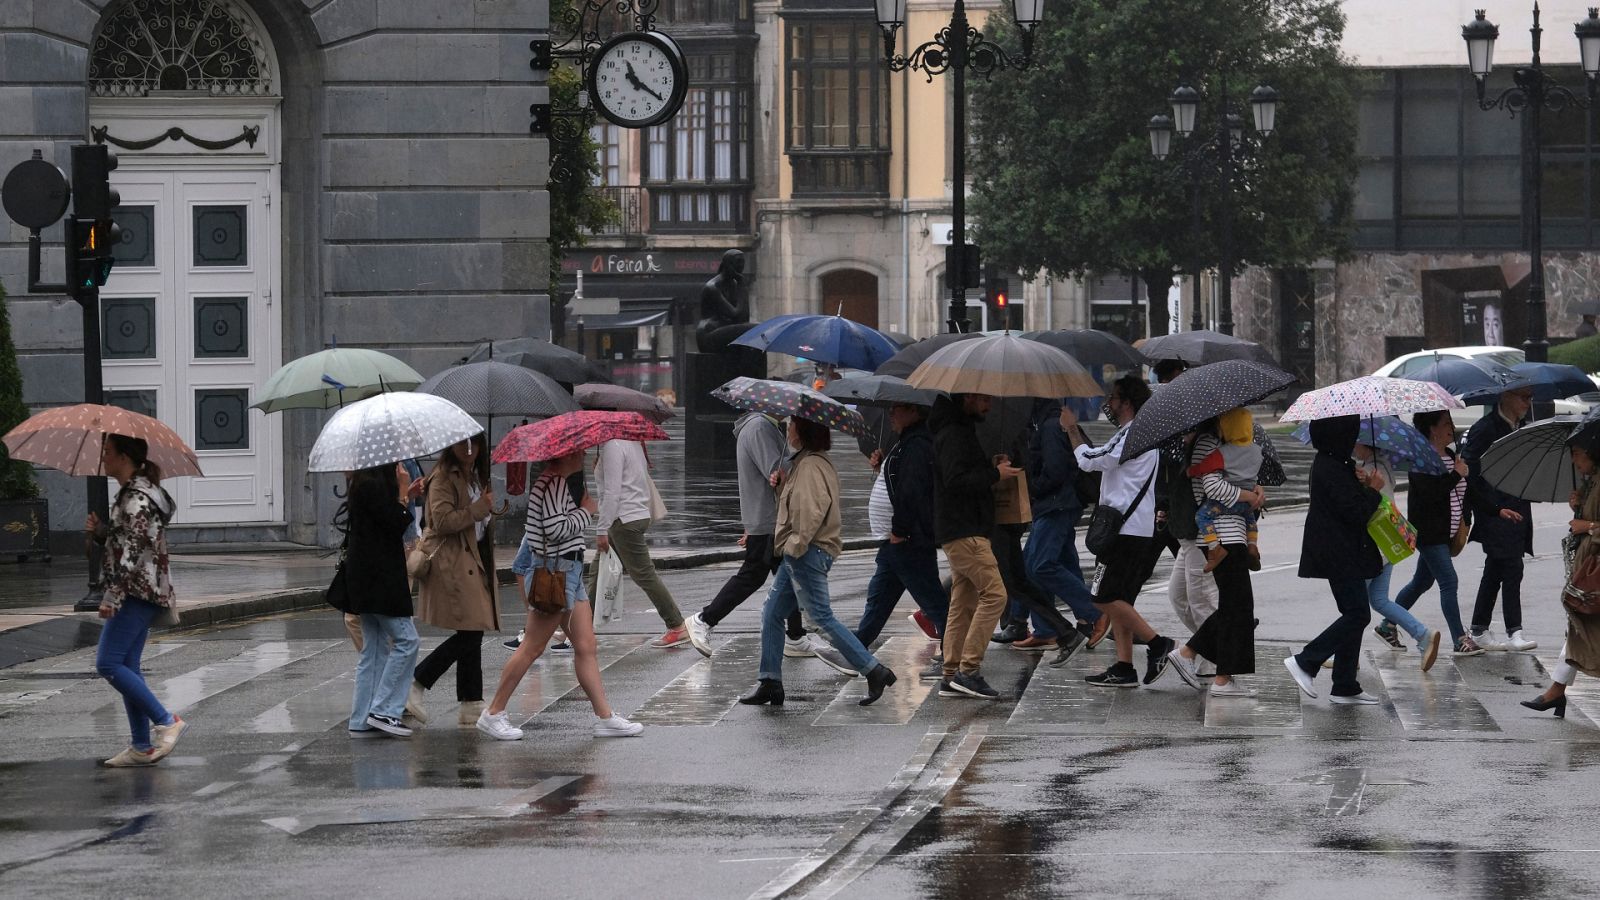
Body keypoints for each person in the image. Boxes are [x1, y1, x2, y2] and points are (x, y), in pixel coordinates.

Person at [480, 448, 644, 740]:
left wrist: (580, 511)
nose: (581, 455)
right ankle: (494, 712)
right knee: (532, 646)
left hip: (568, 573)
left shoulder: (556, 483)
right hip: (553, 575)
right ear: (564, 456)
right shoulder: (551, 483)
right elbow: (555, 530)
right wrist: (586, 512)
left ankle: (604, 716)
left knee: (585, 645)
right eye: (576, 452)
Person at [739, 417, 897, 706]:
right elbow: (793, 506)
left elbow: (809, 514)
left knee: (821, 617)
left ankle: (874, 670)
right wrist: (779, 485)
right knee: (772, 613)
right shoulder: (805, 463)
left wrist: (794, 546)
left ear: (803, 431)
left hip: (806, 552)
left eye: (791, 427)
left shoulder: (811, 466)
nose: (788, 431)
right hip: (799, 551)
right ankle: (770, 680)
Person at [1062, 375, 1178, 688]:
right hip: (1135, 528)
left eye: (1113, 398)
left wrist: (1072, 429)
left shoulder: (1132, 435)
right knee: (1122, 599)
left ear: (1126, 402)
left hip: (1123, 531)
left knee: (1102, 599)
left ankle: (1157, 643)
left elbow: (1091, 461)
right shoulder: (1141, 435)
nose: (1109, 405)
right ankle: (1124, 667)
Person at [89, 434, 187, 766]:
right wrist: (102, 531)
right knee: (126, 665)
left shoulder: (137, 497)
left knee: (108, 663)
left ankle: (166, 720)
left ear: (124, 457)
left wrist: (112, 595)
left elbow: (132, 553)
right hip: (144, 587)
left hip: (136, 590)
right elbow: (132, 539)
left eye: (107, 451)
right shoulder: (135, 494)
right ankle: (142, 747)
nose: (103, 457)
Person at [683, 412, 807, 657]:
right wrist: (800, 457)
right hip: (767, 519)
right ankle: (704, 619)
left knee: (790, 575)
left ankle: (795, 636)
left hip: (766, 518)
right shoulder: (760, 428)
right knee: (753, 575)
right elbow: (777, 473)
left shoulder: (761, 427)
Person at [1283, 416, 1386, 704]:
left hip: (1342, 549)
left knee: (1353, 613)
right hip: (1338, 551)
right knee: (1358, 614)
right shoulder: (1331, 466)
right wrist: (1373, 490)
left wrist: (1360, 480)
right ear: (1338, 436)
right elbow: (1355, 512)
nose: (1354, 440)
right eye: (1351, 434)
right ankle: (1306, 661)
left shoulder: (1336, 463)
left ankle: (1344, 684)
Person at [928, 393, 1017, 700]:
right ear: (967, 397)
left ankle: (951, 674)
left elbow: (961, 472)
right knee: (996, 596)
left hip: (962, 529)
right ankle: (969, 671)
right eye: (983, 400)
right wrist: (995, 474)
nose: (988, 406)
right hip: (965, 530)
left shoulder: (956, 430)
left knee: (962, 603)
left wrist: (989, 466)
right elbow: (956, 480)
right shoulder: (954, 433)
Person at [1167, 415, 1262, 697]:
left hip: (1231, 533)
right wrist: (1248, 496)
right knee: (1238, 607)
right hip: (1222, 535)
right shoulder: (1208, 443)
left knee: (1236, 608)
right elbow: (1211, 488)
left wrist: (1255, 491)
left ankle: (1218, 674)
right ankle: (1192, 655)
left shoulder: (1218, 443)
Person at [411, 435, 499, 727]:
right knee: (471, 631)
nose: (469, 449)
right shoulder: (442, 478)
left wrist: (488, 509)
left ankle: (471, 702)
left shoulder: (475, 476)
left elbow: (478, 522)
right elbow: (442, 520)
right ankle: (417, 682)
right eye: (464, 444)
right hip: (452, 563)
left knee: (471, 629)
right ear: (451, 445)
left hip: (473, 560)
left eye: (475, 444)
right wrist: (478, 510)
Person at [851, 402, 949, 654]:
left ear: (914, 411)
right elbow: (901, 478)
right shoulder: (906, 441)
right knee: (879, 600)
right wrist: (886, 463)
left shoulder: (917, 445)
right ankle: (854, 649)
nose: (891, 413)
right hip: (895, 540)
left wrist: (900, 530)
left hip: (906, 539)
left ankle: (957, 657)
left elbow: (912, 492)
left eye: (897, 408)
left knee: (934, 603)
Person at [1381, 410, 1481, 656]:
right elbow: (1431, 495)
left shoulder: (1449, 455)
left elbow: (1466, 491)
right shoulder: (1420, 459)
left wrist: (1498, 510)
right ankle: (1460, 639)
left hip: (1446, 533)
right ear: (1432, 428)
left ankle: (1387, 625)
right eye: (1447, 423)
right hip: (1428, 533)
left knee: (1421, 582)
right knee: (1449, 581)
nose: (1452, 427)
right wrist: (1456, 474)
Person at [342, 462, 422, 737]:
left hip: (364, 578)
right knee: (407, 641)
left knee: (374, 648)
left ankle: (362, 719)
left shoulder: (363, 481)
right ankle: (385, 711)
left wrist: (405, 495)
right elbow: (392, 526)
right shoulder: (373, 483)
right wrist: (402, 493)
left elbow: (380, 521)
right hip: (380, 578)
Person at [1521, 436, 1600, 717]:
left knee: (1582, 629)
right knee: (1579, 628)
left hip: (1595, 574)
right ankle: (1556, 692)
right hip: (1588, 572)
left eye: (1577, 453)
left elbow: (1591, 525)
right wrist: (1578, 506)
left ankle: (1555, 692)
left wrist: (1587, 525)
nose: (1573, 460)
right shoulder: (1592, 481)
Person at [1021, 397, 1101, 667]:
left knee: (1039, 565)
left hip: (1056, 504)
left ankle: (1094, 613)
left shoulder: (1051, 425)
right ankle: (1047, 629)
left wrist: (1032, 488)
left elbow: (1054, 471)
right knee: (1061, 561)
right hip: (1060, 503)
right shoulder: (1048, 423)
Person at [587, 437, 688, 647]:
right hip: (633, 515)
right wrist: (600, 469)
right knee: (598, 570)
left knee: (643, 574)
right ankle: (580, 627)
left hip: (623, 519)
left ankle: (677, 625)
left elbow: (613, 493)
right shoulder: (631, 442)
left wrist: (601, 529)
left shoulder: (612, 446)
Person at [1355, 439, 1442, 671]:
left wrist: (1363, 483)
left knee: (1353, 604)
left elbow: (1369, 506)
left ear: (1365, 444)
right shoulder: (1381, 465)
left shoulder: (1372, 469)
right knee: (1379, 600)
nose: (1353, 446)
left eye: (1356, 442)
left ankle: (1338, 650)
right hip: (1388, 543)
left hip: (1375, 545)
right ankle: (1423, 635)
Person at [1463, 386, 1537, 651]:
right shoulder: (1485, 429)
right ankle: (1514, 630)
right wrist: (1486, 506)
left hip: (1518, 508)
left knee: (1495, 570)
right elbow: (1470, 472)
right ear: (1505, 397)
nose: (1528, 402)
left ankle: (1479, 628)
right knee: (1511, 567)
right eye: (1523, 397)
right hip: (1495, 511)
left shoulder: (1524, 428)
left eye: (1531, 397)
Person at [1166, 428, 1221, 680]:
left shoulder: (1205, 443)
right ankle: (1211, 644)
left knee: (1200, 600)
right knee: (1178, 596)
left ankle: (1212, 659)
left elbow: (1209, 488)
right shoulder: (1185, 443)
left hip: (1200, 533)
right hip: (1185, 532)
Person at [1188, 408, 1263, 572]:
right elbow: (1252, 475)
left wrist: (1191, 471)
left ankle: (1214, 547)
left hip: (1225, 509)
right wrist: (1252, 492)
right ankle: (1252, 545)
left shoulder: (1223, 452)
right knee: (1250, 520)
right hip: (1242, 513)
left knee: (1201, 516)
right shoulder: (1257, 451)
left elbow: (1206, 470)